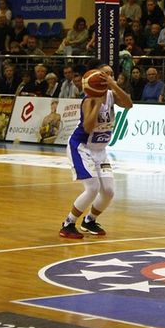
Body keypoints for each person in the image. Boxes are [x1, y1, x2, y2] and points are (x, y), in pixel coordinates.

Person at [59, 61, 133, 239]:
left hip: (100, 150)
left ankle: (89, 220)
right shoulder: (89, 99)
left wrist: (114, 85)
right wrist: (98, 105)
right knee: (92, 188)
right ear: (97, 76)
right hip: (81, 147)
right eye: (106, 74)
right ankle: (68, 223)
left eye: (112, 74)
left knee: (108, 191)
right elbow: (88, 126)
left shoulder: (112, 95)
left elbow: (129, 104)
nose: (110, 77)